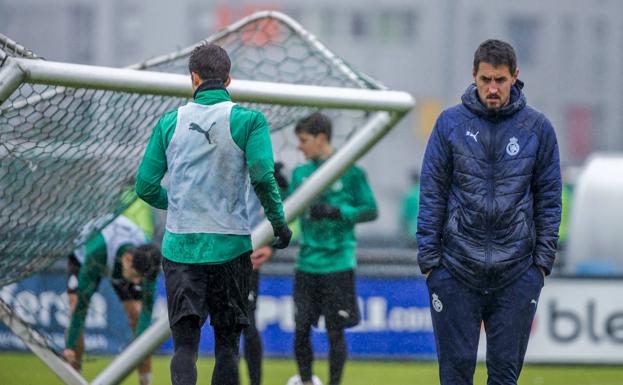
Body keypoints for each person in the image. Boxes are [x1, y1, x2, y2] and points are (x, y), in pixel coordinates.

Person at [135, 43, 291, 385]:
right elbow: (263, 177)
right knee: (226, 348)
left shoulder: (168, 122)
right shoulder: (250, 120)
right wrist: (279, 224)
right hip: (230, 248)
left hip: (181, 248)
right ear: (229, 80)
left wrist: (178, 203)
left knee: (185, 347)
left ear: (193, 79)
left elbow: (145, 187)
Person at [417, 39, 562, 385]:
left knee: (504, 377)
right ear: (473, 76)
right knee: (454, 376)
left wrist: (540, 265)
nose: (492, 88)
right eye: (485, 80)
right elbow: (432, 192)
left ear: (515, 77)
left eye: (499, 80)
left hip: (516, 272)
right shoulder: (449, 124)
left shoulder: (538, 129)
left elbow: (549, 200)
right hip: (455, 269)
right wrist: (430, 262)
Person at [289, 112, 378, 385]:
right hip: (306, 264)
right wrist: (279, 189)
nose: (299, 147)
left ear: (321, 138)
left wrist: (338, 211)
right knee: (301, 330)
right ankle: (306, 381)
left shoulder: (350, 171)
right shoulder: (300, 174)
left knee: (335, 331)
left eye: (304, 140)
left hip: (338, 263)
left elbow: (370, 210)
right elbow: (287, 213)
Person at [64, 215, 162, 385]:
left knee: (136, 316)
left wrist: (139, 344)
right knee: (75, 307)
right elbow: (82, 305)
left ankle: (145, 382)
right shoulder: (97, 251)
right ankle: (75, 374)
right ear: (128, 260)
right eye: (137, 277)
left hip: (122, 264)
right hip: (84, 258)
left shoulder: (147, 256)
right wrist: (70, 345)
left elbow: (147, 307)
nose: (138, 282)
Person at [399, 169, 420, 246]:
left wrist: (402, 232)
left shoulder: (410, 195)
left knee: (411, 256)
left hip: (412, 232)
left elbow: (405, 215)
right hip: (427, 232)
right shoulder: (426, 193)